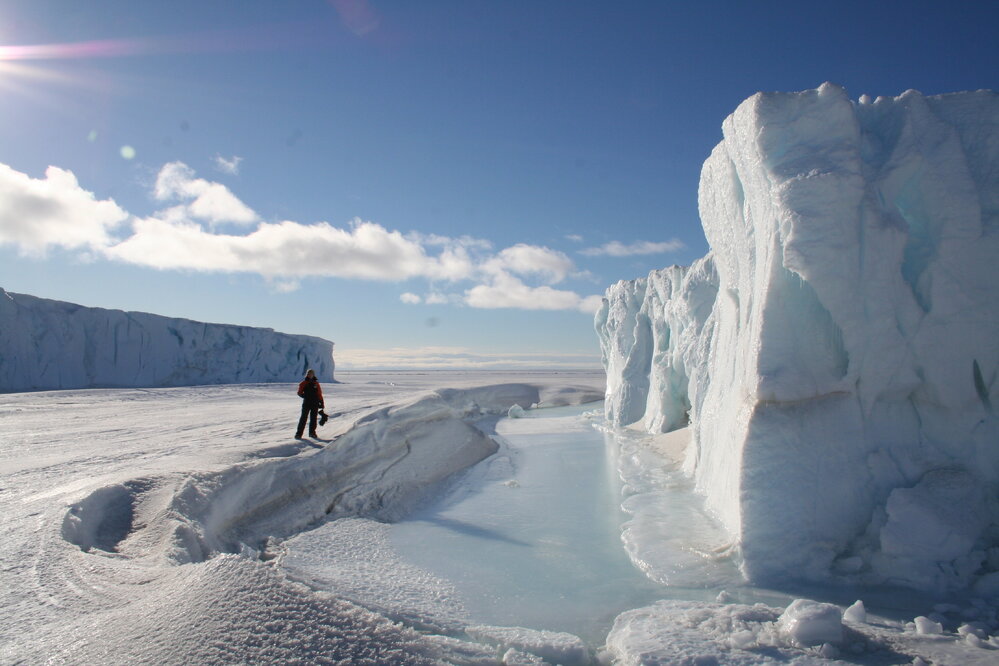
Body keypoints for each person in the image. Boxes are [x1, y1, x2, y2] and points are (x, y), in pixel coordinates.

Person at [295, 369, 325, 439]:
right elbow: (299, 392)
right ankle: (298, 434)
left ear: (313, 374)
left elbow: (319, 394)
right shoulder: (303, 383)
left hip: (315, 403)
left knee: (313, 419)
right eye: (308, 373)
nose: (310, 375)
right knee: (303, 418)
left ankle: (312, 433)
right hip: (307, 403)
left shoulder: (316, 384)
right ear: (307, 374)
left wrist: (321, 403)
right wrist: (304, 396)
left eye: (311, 373)